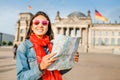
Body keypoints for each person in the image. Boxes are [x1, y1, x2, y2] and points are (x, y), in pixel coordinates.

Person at [16, 11, 79, 80]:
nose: (40, 25)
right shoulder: (24, 47)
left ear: (48, 27)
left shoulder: (53, 46)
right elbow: (21, 77)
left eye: (44, 23)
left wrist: (69, 60)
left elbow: (58, 71)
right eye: (36, 22)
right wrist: (40, 67)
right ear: (31, 27)